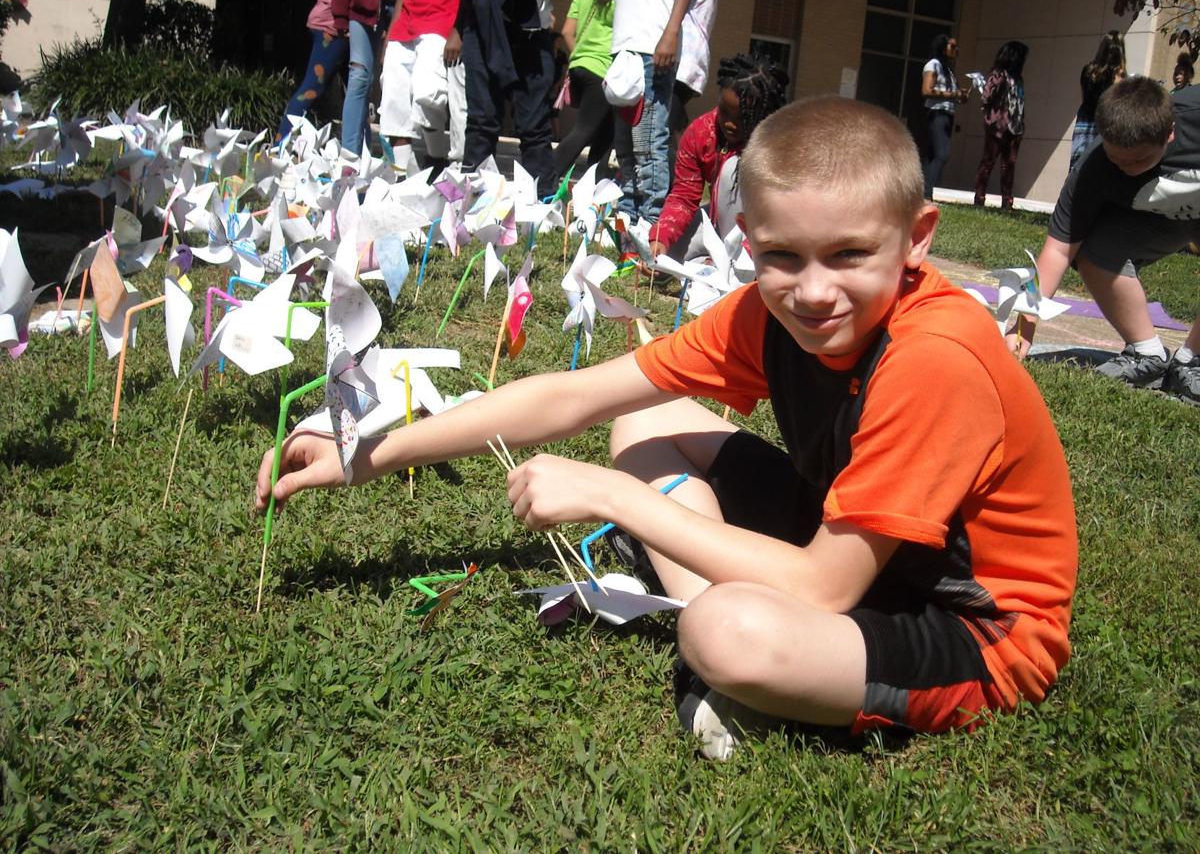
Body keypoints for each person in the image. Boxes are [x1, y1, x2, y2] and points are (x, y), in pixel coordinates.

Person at [256, 95, 1079, 761]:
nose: (813, 290)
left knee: (723, 629)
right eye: (782, 257)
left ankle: (729, 659)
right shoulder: (765, 314)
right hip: (860, 535)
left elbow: (826, 589)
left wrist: (617, 496)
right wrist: (372, 450)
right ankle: (735, 660)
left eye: (849, 255)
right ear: (748, 241)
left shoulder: (935, 357)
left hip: (971, 623)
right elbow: (577, 397)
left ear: (917, 240)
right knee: (647, 413)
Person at [1008, 76, 1200, 405]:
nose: (1124, 168)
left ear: (1169, 133)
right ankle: (1147, 355)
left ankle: (1191, 361)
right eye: (1116, 159)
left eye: (1138, 160)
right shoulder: (1094, 168)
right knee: (1093, 249)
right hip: (1157, 220)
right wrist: (1024, 327)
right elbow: (1056, 251)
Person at [574, 0, 695, 224]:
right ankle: (629, 212)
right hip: (625, 51)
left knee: (648, 140)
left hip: (653, 49)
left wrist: (671, 33)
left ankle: (652, 219)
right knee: (625, 143)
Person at [452, 0, 575, 197]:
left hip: (534, 34)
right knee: (483, 119)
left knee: (535, 125)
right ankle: (474, 203)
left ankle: (541, 205)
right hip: (485, 28)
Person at [649, 52, 788, 260]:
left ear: (763, 113)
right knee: (666, 258)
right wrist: (661, 237)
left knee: (733, 168)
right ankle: (711, 259)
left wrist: (741, 254)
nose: (729, 124)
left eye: (742, 117)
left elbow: (777, 216)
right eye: (724, 112)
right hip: (716, 224)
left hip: (763, 235)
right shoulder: (700, 132)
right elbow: (683, 197)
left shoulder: (776, 147)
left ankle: (730, 262)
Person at [378, 0, 467, 174]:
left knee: (427, 94)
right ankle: (400, 174)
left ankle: (435, 159)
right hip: (405, 23)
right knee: (392, 97)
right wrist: (389, 37)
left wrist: (458, 29)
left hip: (442, 21)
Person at [549, 0, 618, 187]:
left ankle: (593, 190)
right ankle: (544, 181)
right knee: (585, 131)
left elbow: (567, 32)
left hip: (580, 66)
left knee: (606, 133)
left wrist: (581, 54)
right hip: (604, 70)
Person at [276, 0, 351, 144]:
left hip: (339, 22)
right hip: (334, 23)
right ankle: (279, 147)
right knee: (312, 88)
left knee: (357, 96)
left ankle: (356, 153)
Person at [668, 0, 729, 173]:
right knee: (676, 125)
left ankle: (685, 179)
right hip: (693, 58)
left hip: (683, 56)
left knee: (663, 127)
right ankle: (700, 168)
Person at [339, 0, 386, 156]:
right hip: (364, 8)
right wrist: (340, 15)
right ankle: (349, 155)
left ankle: (395, 160)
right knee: (359, 76)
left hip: (404, 7)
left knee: (384, 80)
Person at [973, 41, 1028, 210]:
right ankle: (980, 196)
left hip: (1015, 127)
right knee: (988, 162)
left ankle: (1007, 200)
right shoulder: (998, 75)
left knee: (1009, 164)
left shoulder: (1018, 79)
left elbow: (1019, 102)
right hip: (997, 127)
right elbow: (986, 97)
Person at [920, 34, 968, 199]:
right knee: (942, 154)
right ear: (943, 47)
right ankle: (926, 194)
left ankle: (924, 193)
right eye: (953, 47)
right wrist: (952, 94)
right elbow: (926, 90)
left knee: (932, 155)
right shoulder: (933, 65)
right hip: (936, 114)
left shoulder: (949, 71)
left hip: (948, 115)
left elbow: (953, 94)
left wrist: (960, 95)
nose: (956, 50)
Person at [1070, 30, 1125, 172]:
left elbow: (1084, 97)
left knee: (1078, 165)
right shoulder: (1120, 76)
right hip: (1105, 125)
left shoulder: (1088, 70)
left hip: (1084, 120)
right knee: (1099, 169)